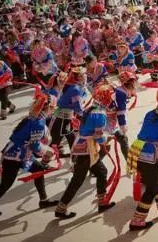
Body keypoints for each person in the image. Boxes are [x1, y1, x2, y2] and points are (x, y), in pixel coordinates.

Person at [0, 88, 58, 218]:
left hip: (18, 153)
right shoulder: (38, 122)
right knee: (5, 184)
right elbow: (34, 145)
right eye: (53, 108)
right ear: (47, 108)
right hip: (15, 156)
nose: (54, 110)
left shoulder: (34, 117)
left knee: (38, 170)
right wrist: (47, 151)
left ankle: (43, 200)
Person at [54, 84, 117, 219]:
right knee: (78, 180)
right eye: (111, 96)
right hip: (86, 150)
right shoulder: (100, 114)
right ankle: (61, 208)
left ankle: (102, 202)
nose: (113, 99)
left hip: (84, 147)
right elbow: (99, 137)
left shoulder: (92, 108)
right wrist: (108, 138)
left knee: (101, 172)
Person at [126, 88, 158, 230]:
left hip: (136, 150)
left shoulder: (150, 114)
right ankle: (137, 221)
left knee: (157, 178)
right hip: (149, 155)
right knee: (151, 188)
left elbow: (149, 134)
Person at [49, 67, 88, 157]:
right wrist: (85, 114)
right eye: (82, 75)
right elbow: (77, 107)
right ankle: (44, 160)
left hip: (65, 116)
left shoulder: (72, 86)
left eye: (84, 75)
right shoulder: (75, 89)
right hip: (62, 117)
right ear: (77, 78)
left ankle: (75, 156)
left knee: (71, 137)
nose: (85, 76)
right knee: (55, 141)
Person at [106, 70, 136, 160]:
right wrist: (123, 126)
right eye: (133, 82)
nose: (134, 84)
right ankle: (130, 166)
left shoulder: (119, 89)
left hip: (105, 118)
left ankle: (94, 167)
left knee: (105, 145)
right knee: (123, 139)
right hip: (107, 120)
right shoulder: (121, 93)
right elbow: (120, 112)